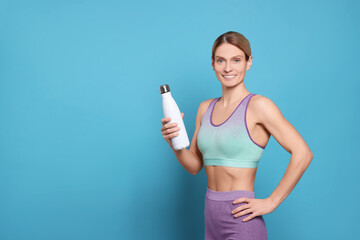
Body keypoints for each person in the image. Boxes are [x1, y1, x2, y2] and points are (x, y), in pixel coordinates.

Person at [160, 31, 313, 240]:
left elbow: (303, 153)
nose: (228, 68)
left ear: (249, 62)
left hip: (241, 220)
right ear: (213, 64)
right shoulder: (205, 108)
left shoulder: (259, 106)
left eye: (236, 60)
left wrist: (272, 201)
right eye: (221, 60)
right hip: (211, 218)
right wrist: (174, 144)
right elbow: (195, 166)